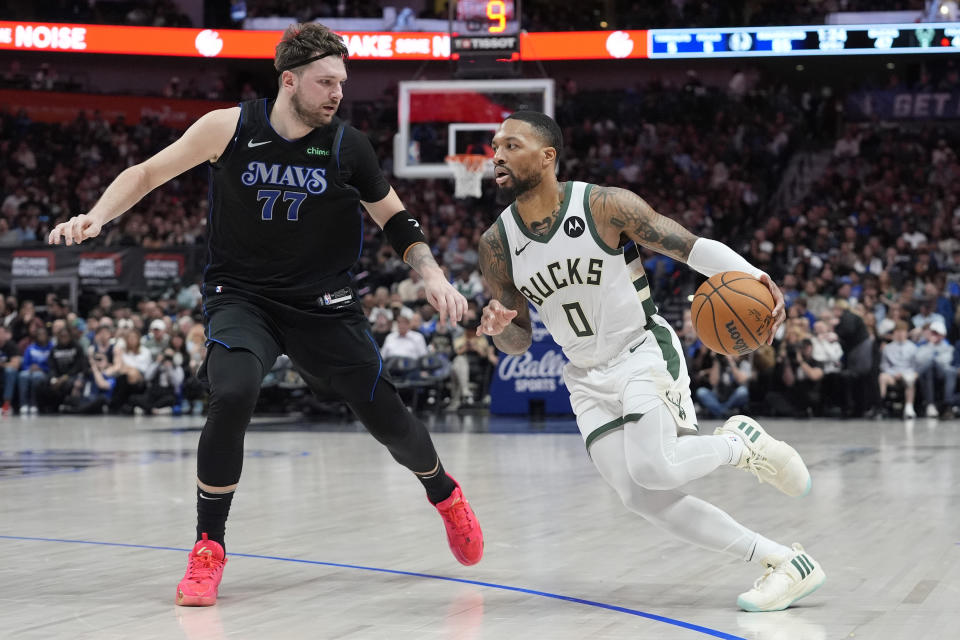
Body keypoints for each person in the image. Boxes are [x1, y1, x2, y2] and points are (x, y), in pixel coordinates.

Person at [48, 22, 482, 607]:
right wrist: (98, 216)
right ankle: (208, 547)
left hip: (324, 306)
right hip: (243, 298)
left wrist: (430, 273)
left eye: (342, 83)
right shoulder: (228, 128)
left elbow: (398, 221)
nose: (337, 94)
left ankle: (445, 494)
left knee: (389, 420)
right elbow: (148, 172)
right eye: (326, 82)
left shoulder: (346, 145)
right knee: (232, 391)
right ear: (289, 80)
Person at [477, 111, 824, 612]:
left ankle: (737, 444)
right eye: (495, 146)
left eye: (511, 145)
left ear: (548, 156)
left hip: (641, 350)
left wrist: (757, 277)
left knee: (655, 467)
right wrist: (498, 327)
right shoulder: (496, 243)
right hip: (584, 378)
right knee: (640, 496)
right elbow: (518, 340)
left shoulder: (603, 204)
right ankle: (786, 564)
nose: (497, 155)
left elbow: (690, 249)